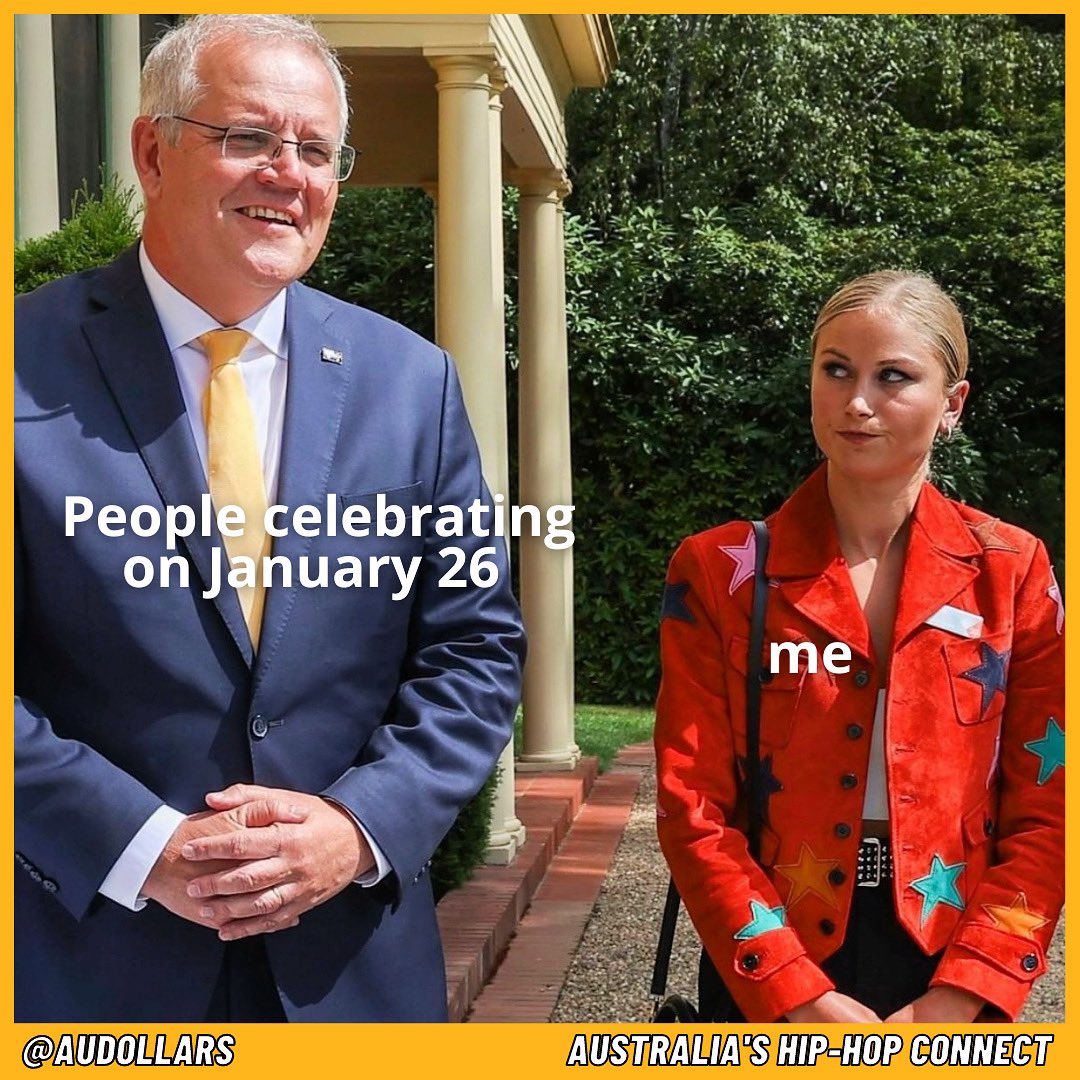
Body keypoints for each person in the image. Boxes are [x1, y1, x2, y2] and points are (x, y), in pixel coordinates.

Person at [14, 14, 524, 1022]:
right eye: (249, 137)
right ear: (152, 152)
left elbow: (475, 649)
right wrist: (141, 846)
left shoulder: (410, 383)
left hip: (352, 978)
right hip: (88, 973)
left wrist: (357, 826)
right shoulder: (20, 363)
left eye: (317, 149)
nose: (288, 173)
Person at [655, 271, 1064, 1023]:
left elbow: (1050, 808)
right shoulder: (720, 571)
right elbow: (693, 807)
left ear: (953, 403)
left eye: (893, 376)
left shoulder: (1013, 572)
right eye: (836, 370)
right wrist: (794, 993)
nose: (857, 402)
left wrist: (966, 991)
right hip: (774, 949)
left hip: (950, 954)